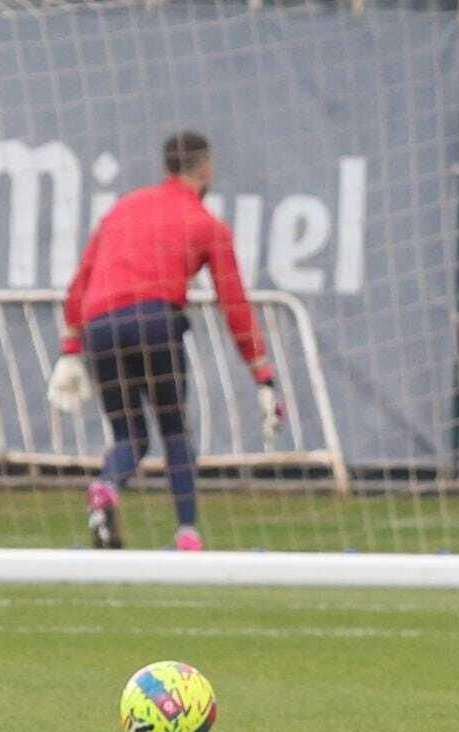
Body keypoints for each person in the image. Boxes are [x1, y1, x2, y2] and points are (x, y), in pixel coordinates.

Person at [46, 130, 283, 551]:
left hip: (101, 326)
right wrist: (262, 375)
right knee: (174, 430)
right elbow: (235, 305)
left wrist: (69, 348)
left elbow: (80, 282)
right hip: (155, 321)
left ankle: (106, 486)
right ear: (206, 169)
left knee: (130, 436)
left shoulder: (122, 208)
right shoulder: (207, 223)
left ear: (165, 167)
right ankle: (187, 532)